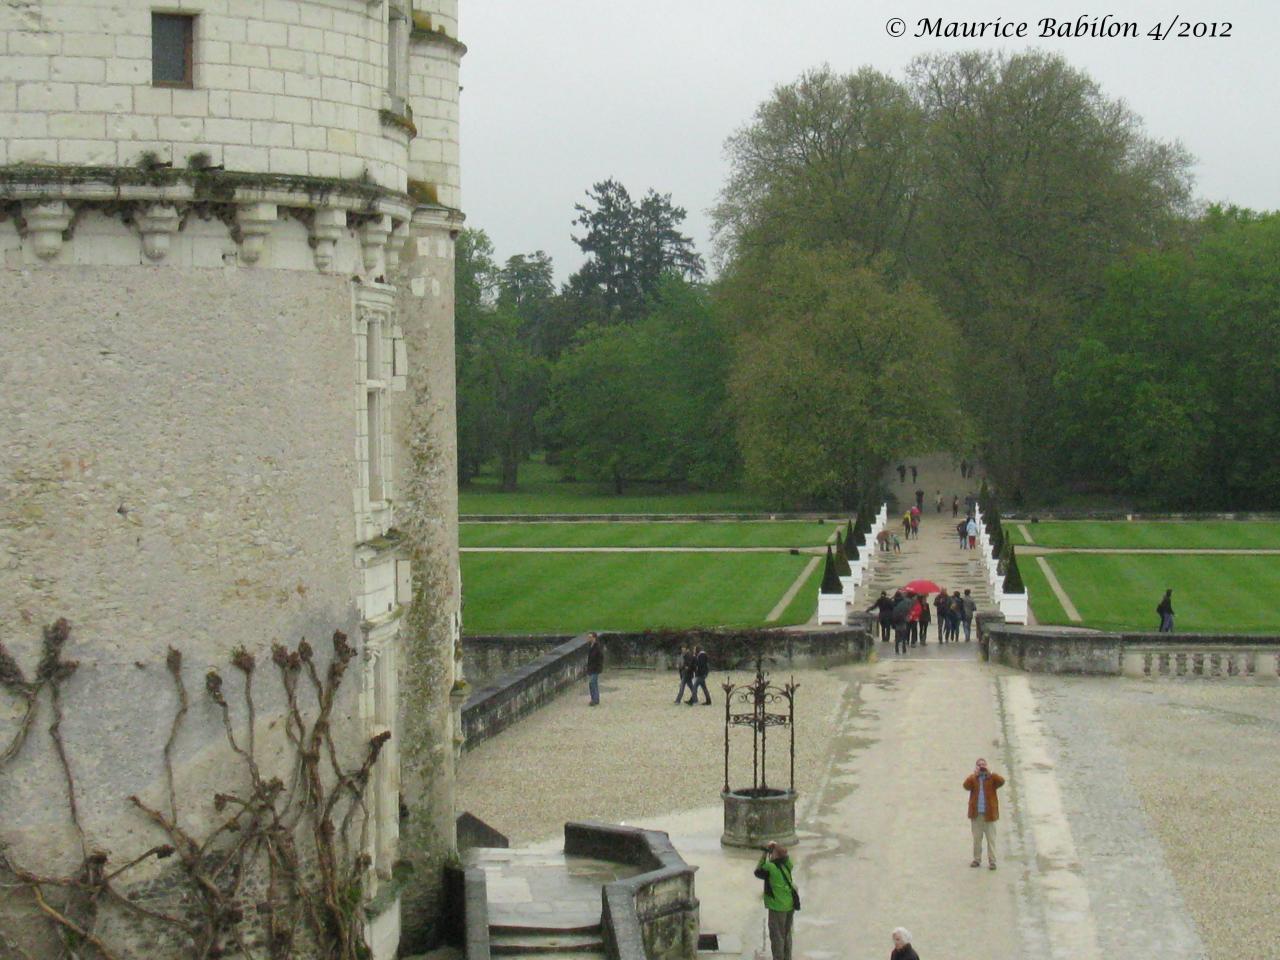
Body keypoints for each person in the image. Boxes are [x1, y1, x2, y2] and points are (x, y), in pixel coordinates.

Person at [754, 841, 797, 960]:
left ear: (774, 854)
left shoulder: (771, 867)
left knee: (777, 936)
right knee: (787, 935)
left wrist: (764, 853)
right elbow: (786, 857)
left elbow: (757, 871)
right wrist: (778, 847)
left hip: (777, 907)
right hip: (789, 905)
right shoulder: (787, 864)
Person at [964, 758, 1005, 869]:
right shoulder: (973, 779)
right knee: (977, 839)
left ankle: (992, 861)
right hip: (976, 815)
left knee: (991, 839)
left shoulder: (992, 779)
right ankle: (977, 859)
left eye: (983, 765)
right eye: (979, 765)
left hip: (990, 815)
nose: (982, 767)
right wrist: (974, 775)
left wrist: (990, 772)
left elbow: (1002, 781)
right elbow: (966, 786)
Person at [586, 632, 603, 705]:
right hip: (591, 668)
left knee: (592, 683)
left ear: (594, 638)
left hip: (595, 668)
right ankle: (594, 699)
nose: (589, 638)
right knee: (592, 684)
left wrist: (598, 667)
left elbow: (601, 658)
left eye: (590, 637)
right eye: (588, 637)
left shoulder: (597, 647)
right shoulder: (590, 645)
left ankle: (595, 699)